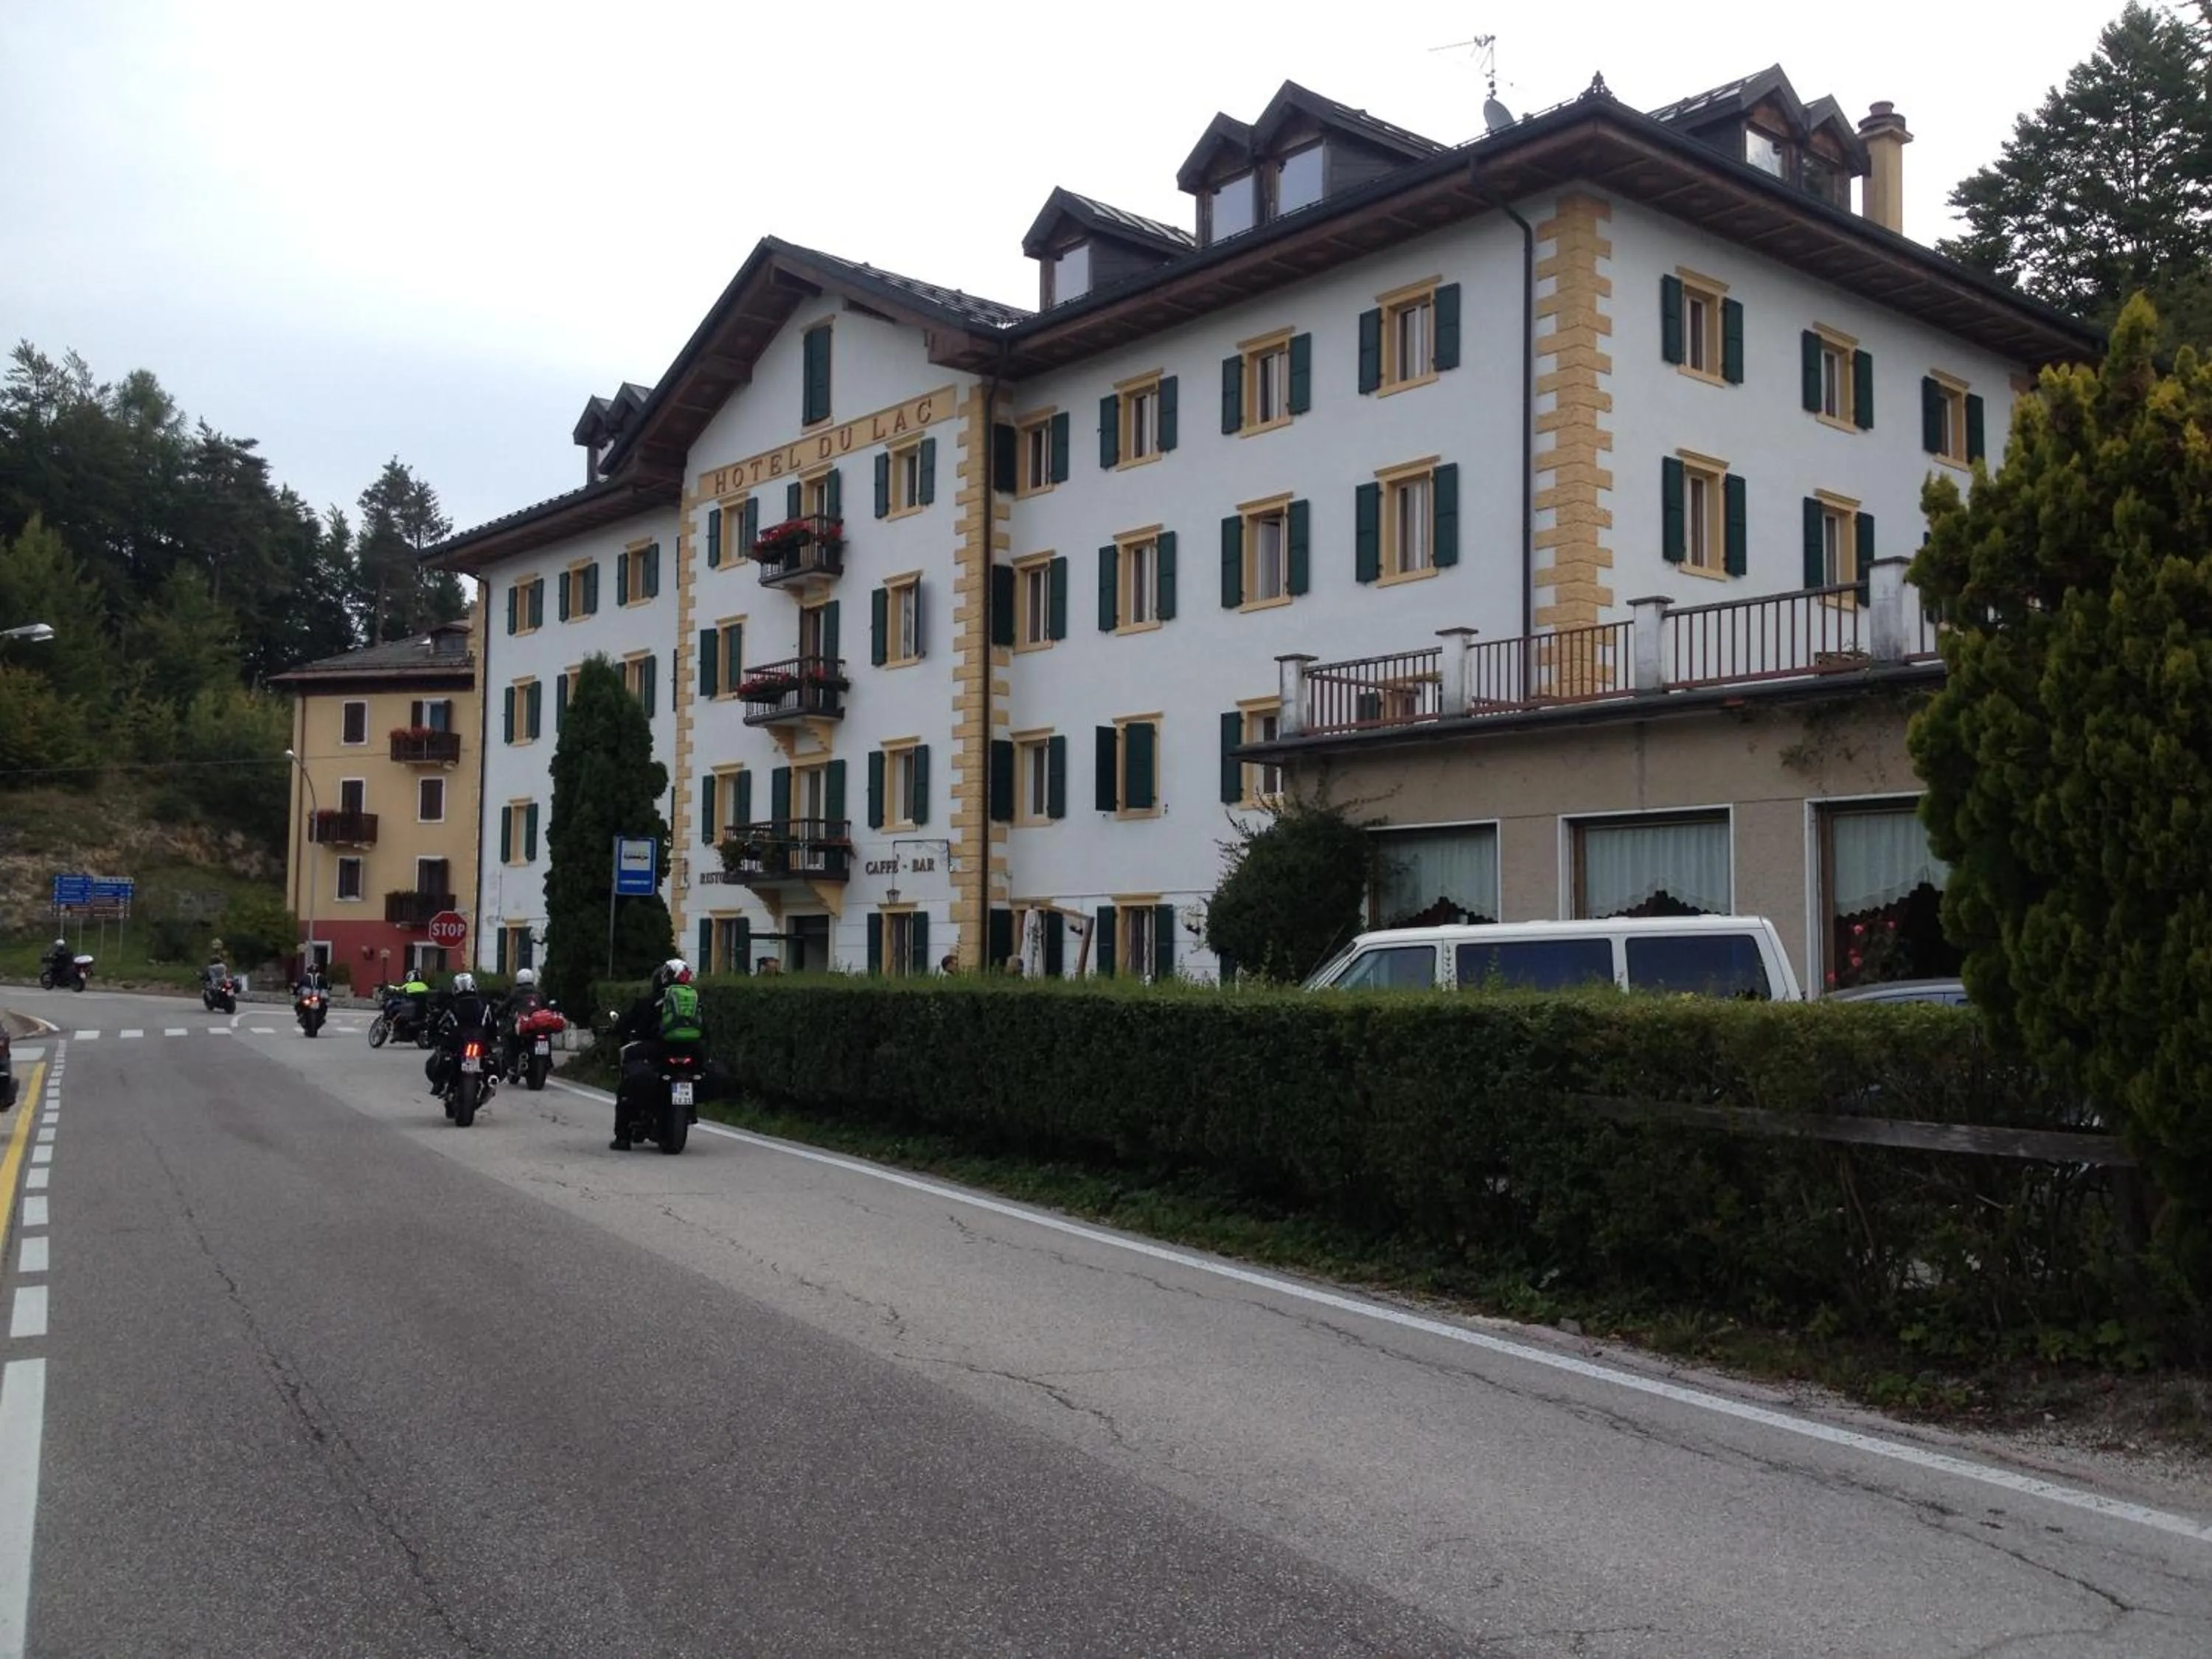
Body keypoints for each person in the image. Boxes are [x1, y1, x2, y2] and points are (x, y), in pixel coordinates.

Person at [611, 958, 705, 1151]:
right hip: (691, 1051)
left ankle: (623, 1137)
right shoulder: (694, 1000)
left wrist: (619, 1030)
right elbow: (706, 1030)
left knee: (627, 1077)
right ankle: (688, 1112)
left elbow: (635, 1025)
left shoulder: (651, 1001)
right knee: (699, 1071)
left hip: (659, 1050)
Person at [425, 971, 494, 1098]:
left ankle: (440, 1084)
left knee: (442, 1054)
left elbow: (437, 1022)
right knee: (491, 1058)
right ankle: (489, 1083)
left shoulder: (451, 1005)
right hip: (480, 1039)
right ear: (473, 985)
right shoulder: (484, 1004)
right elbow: (492, 1023)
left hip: (458, 1040)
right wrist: (493, 1038)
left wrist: (432, 1036)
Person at [497, 967, 546, 1076]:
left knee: (507, 1036)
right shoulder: (539, 992)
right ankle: (548, 1061)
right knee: (546, 1036)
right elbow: (546, 1006)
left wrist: (497, 1012)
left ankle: (511, 1064)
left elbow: (505, 1005)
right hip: (538, 1025)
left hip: (522, 1024)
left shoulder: (516, 992)